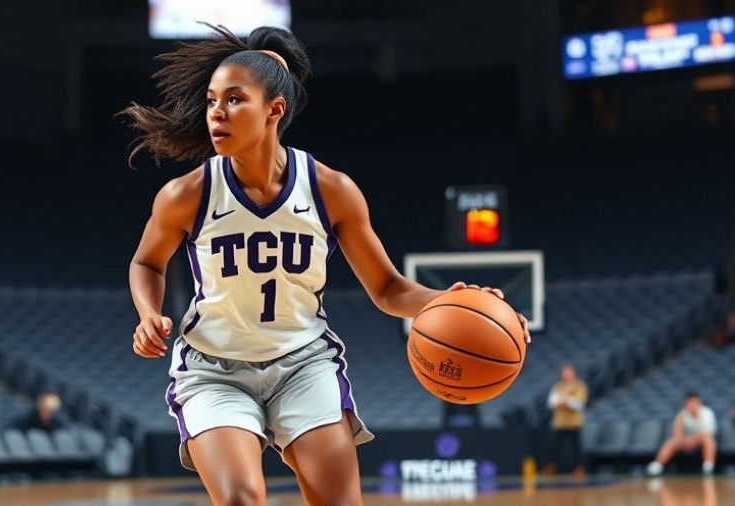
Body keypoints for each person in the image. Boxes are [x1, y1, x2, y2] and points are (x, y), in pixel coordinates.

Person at [121, 23, 531, 505]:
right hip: (215, 369)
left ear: (274, 110)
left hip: (303, 364)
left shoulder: (329, 190)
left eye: (234, 99)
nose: (216, 112)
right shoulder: (186, 194)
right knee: (240, 499)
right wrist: (148, 313)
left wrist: (454, 301)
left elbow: (388, 288)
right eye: (212, 100)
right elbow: (147, 263)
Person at [646, 391, 718, 476]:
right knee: (671, 442)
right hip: (684, 441)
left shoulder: (707, 413)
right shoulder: (682, 414)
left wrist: (692, 440)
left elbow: (708, 432)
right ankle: (657, 465)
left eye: (693, 401)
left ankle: (708, 467)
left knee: (708, 439)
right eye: (689, 402)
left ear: (698, 401)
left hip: (700, 440)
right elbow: (677, 431)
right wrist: (684, 440)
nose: (691, 404)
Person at [541, 363, 589, 477]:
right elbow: (551, 403)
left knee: (576, 447)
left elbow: (579, 404)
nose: (565, 374)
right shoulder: (558, 386)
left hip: (574, 422)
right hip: (560, 422)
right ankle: (551, 466)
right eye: (564, 372)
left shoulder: (579, 386)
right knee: (555, 446)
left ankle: (579, 468)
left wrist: (566, 401)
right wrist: (564, 402)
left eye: (568, 372)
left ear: (573, 373)